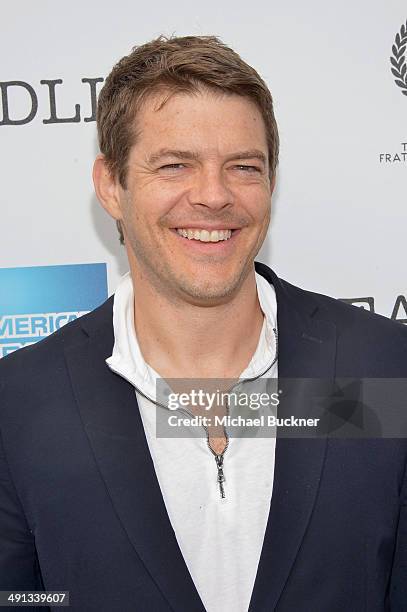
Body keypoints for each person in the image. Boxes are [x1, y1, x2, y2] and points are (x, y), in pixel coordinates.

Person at [0, 35, 406, 612]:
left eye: (243, 167)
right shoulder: (18, 405)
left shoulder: (386, 370)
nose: (214, 196)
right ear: (111, 185)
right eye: (174, 166)